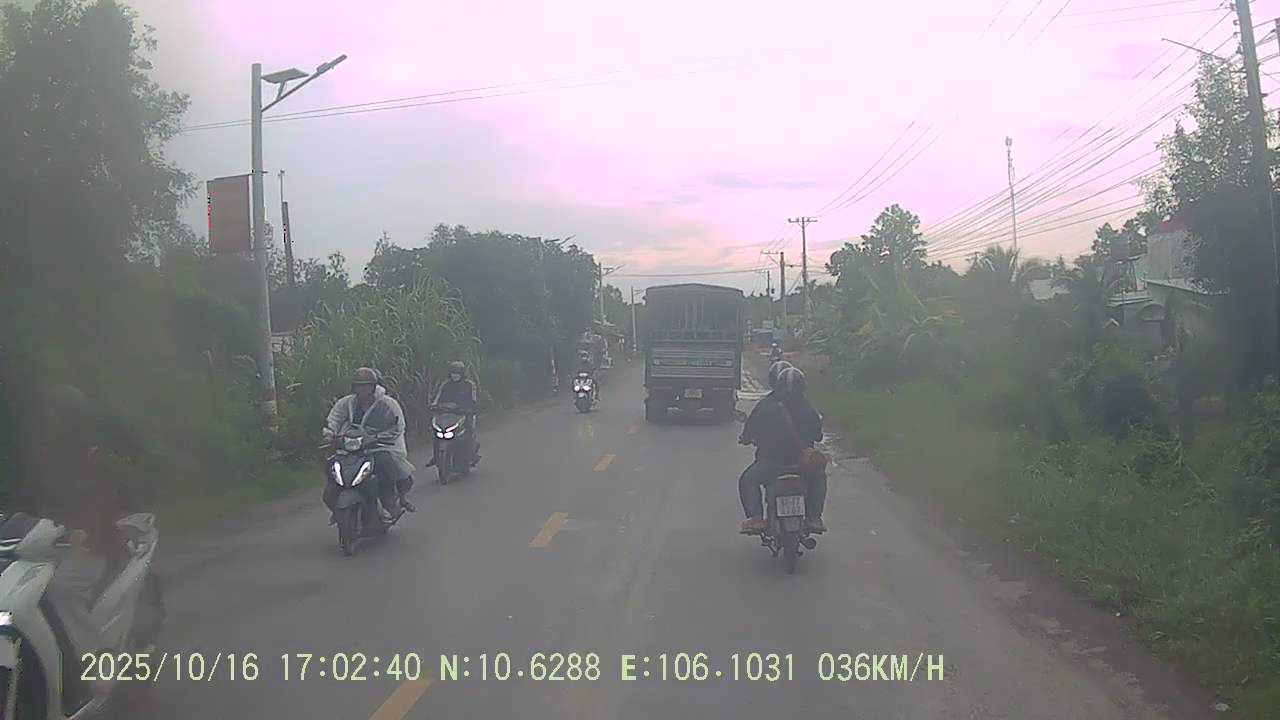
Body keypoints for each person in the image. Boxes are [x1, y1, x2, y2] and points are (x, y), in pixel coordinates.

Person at [21, 384, 131, 661]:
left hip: (94, 545)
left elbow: (106, 499)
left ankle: (90, 656)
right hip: (51, 541)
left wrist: (85, 530)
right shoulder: (44, 456)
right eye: (50, 413)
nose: (52, 418)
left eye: (58, 413)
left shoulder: (93, 456)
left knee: (61, 588)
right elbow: (27, 498)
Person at [737, 366, 827, 534]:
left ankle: (756, 518)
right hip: (802, 465)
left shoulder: (765, 407)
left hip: (771, 464)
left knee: (748, 480)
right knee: (819, 477)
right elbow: (818, 436)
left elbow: (749, 430)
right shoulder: (809, 409)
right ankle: (814, 517)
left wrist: (746, 438)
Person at [323, 368, 416, 520]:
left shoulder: (387, 404)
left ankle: (389, 505)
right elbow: (334, 418)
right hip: (351, 447)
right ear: (354, 387)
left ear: (374, 386)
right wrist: (329, 433)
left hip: (380, 446)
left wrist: (378, 437)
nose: (363, 389)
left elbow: (397, 426)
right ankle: (336, 506)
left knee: (385, 463)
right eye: (359, 385)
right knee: (332, 465)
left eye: (366, 385)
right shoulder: (347, 403)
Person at [427, 361, 480, 467]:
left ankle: (471, 455)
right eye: (453, 373)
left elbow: (473, 400)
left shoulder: (469, 385)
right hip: (447, 414)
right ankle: (436, 456)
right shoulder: (445, 385)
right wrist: (433, 406)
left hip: (464, 415)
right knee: (435, 432)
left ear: (462, 374)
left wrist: (471, 408)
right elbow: (438, 398)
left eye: (457, 373)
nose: (455, 375)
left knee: (469, 430)